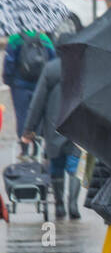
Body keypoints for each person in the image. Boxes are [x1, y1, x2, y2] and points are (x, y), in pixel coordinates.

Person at [23, 43, 81, 220]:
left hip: (54, 126)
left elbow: (38, 102)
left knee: (56, 166)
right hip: (78, 127)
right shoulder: (82, 68)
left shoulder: (50, 69)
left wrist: (28, 129)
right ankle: (73, 204)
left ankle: (60, 205)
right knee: (75, 167)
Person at [3, 29, 55, 158]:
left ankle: (24, 149)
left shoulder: (15, 39)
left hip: (19, 85)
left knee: (22, 116)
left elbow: (9, 61)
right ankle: (36, 149)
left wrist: (8, 80)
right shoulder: (45, 39)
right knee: (37, 114)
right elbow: (53, 59)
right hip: (40, 84)